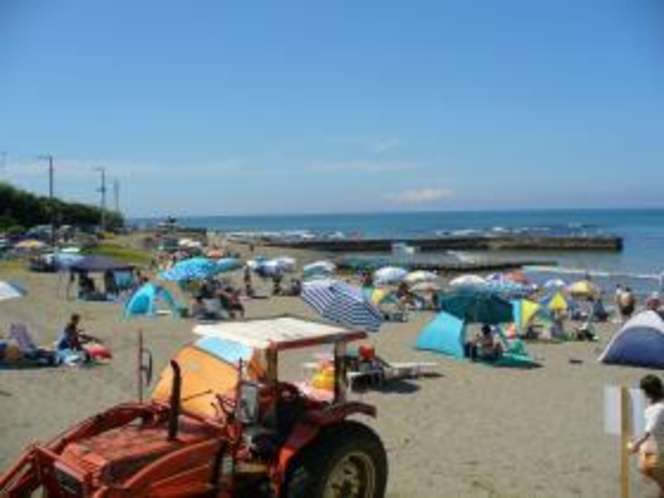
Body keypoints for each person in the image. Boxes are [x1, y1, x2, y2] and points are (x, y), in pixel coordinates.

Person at [628, 375, 664, 497]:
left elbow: (649, 430)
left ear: (648, 392)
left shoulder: (658, 409)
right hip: (654, 446)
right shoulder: (656, 404)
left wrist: (636, 444)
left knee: (646, 467)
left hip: (659, 449)